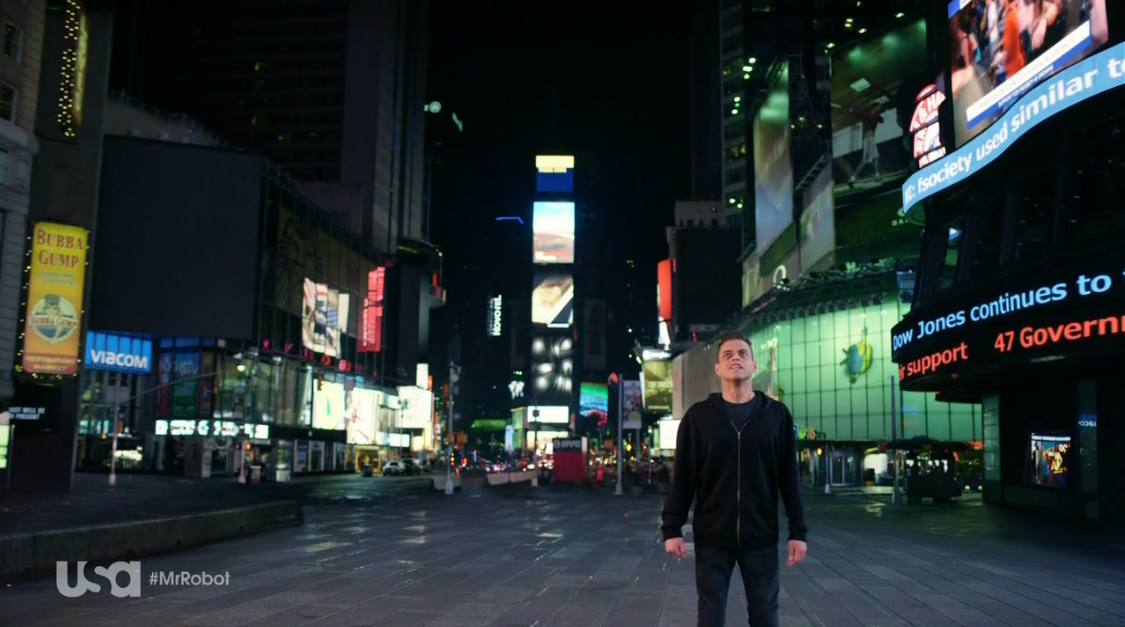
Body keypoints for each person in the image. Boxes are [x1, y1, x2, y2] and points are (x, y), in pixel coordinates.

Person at [661, 331, 808, 627]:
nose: (735, 359)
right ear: (718, 368)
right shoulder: (698, 418)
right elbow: (684, 478)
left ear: (754, 365)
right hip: (712, 537)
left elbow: (789, 478)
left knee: (765, 616)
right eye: (727, 355)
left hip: (761, 535)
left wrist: (798, 532)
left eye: (742, 354)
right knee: (710, 617)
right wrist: (672, 528)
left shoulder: (776, 416)